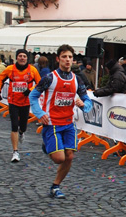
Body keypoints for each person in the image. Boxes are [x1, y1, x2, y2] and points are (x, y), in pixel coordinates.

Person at [29, 44, 93, 199]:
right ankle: (47, 146)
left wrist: (84, 105)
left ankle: (55, 186)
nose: (68, 60)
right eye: (64, 57)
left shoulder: (77, 79)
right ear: (58, 59)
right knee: (59, 158)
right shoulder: (49, 78)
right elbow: (33, 96)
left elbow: (86, 100)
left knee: (69, 156)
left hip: (69, 123)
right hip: (52, 123)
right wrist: (39, 113)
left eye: (70, 57)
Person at [0, 49, 41, 163]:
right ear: (17, 57)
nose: (22, 58)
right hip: (13, 101)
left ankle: (21, 133)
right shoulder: (10, 69)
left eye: (24, 56)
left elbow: (40, 83)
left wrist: (30, 90)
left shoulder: (33, 70)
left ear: (27, 58)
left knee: (23, 126)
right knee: (14, 125)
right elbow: (1, 79)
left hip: (25, 102)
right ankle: (15, 152)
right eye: (20, 56)